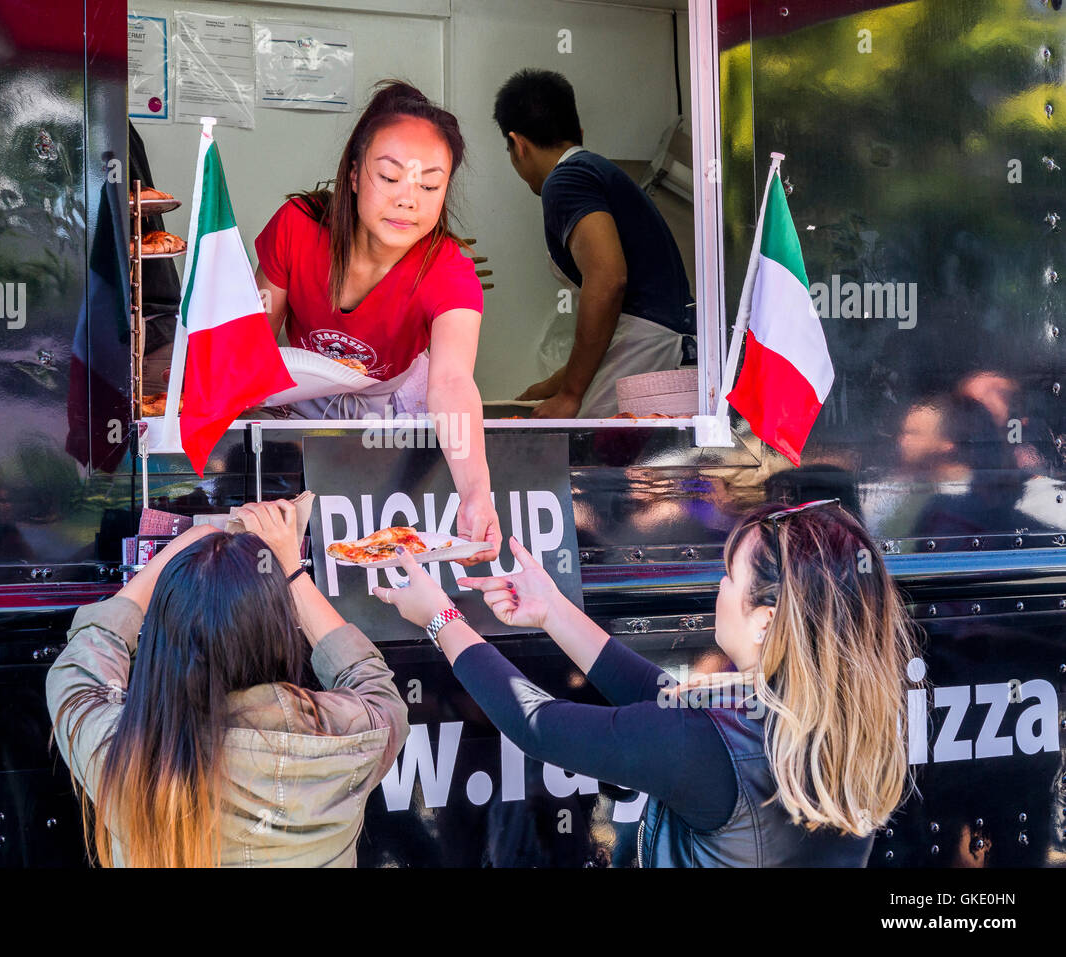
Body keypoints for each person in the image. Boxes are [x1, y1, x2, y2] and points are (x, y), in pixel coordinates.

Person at [372, 500, 918, 867]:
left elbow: (539, 725)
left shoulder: (706, 744)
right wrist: (552, 610)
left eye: (729, 576)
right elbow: (659, 695)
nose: (718, 587)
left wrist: (440, 618)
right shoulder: (839, 718)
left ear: (766, 619)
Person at [46, 500, 409, 867]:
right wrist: (289, 569)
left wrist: (174, 557)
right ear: (278, 631)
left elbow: (78, 669)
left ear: (161, 636)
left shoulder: (118, 751)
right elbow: (374, 684)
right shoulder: (346, 738)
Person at [253, 81, 499, 562]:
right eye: (389, 178)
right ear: (352, 175)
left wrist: (476, 493)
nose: (409, 201)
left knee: (381, 547)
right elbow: (253, 343)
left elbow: (450, 382)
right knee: (302, 547)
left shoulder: (448, 270)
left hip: (397, 407)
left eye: (429, 186)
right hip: (303, 401)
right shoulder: (297, 226)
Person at [493, 69, 694, 419]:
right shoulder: (595, 169)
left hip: (648, 348)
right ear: (579, 134)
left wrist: (570, 394)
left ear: (518, 145)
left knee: (600, 466)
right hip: (669, 346)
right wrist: (556, 383)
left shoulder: (566, 180)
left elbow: (608, 278)